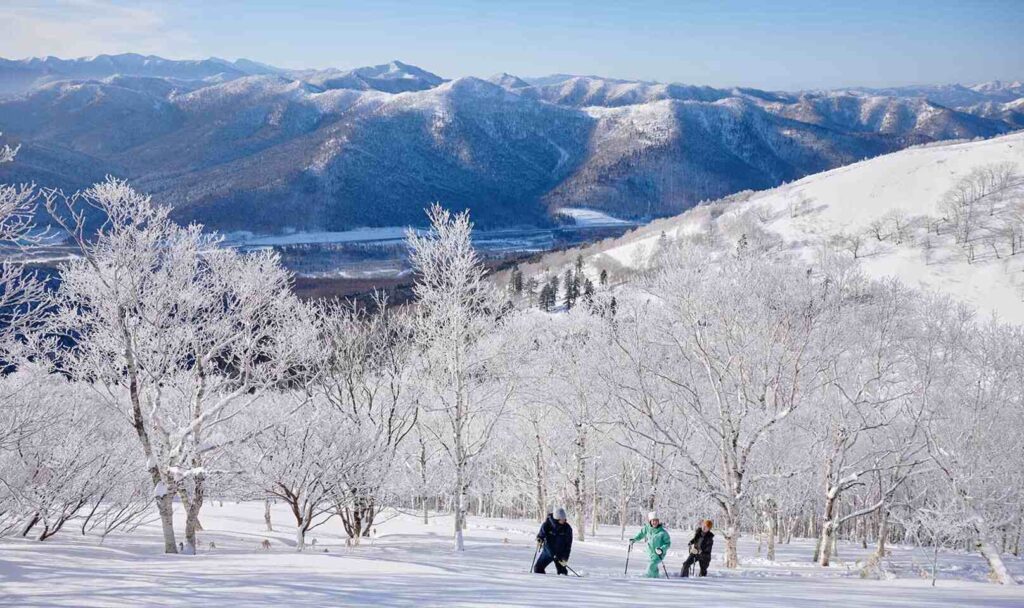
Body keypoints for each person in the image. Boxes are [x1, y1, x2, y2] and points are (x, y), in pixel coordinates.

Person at [630, 511, 671, 578]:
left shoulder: (662, 532)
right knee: (653, 567)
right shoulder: (647, 528)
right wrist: (634, 539)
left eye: (656, 521)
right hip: (649, 552)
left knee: (651, 565)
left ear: (658, 521)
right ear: (650, 521)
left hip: (659, 553)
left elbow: (668, 543)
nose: (654, 522)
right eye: (653, 521)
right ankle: (656, 578)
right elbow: (641, 534)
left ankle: (647, 579)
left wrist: (662, 549)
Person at [534, 507, 573, 575]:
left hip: (560, 554)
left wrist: (565, 558)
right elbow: (541, 535)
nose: (564, 521)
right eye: (562, 519)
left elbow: (568, 545)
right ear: (556, 519)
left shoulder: (567, 528)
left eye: (564, 519)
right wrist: (539, 539)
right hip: (548, 552)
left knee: (562, 573)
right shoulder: (547, 525)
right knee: (538, 568)